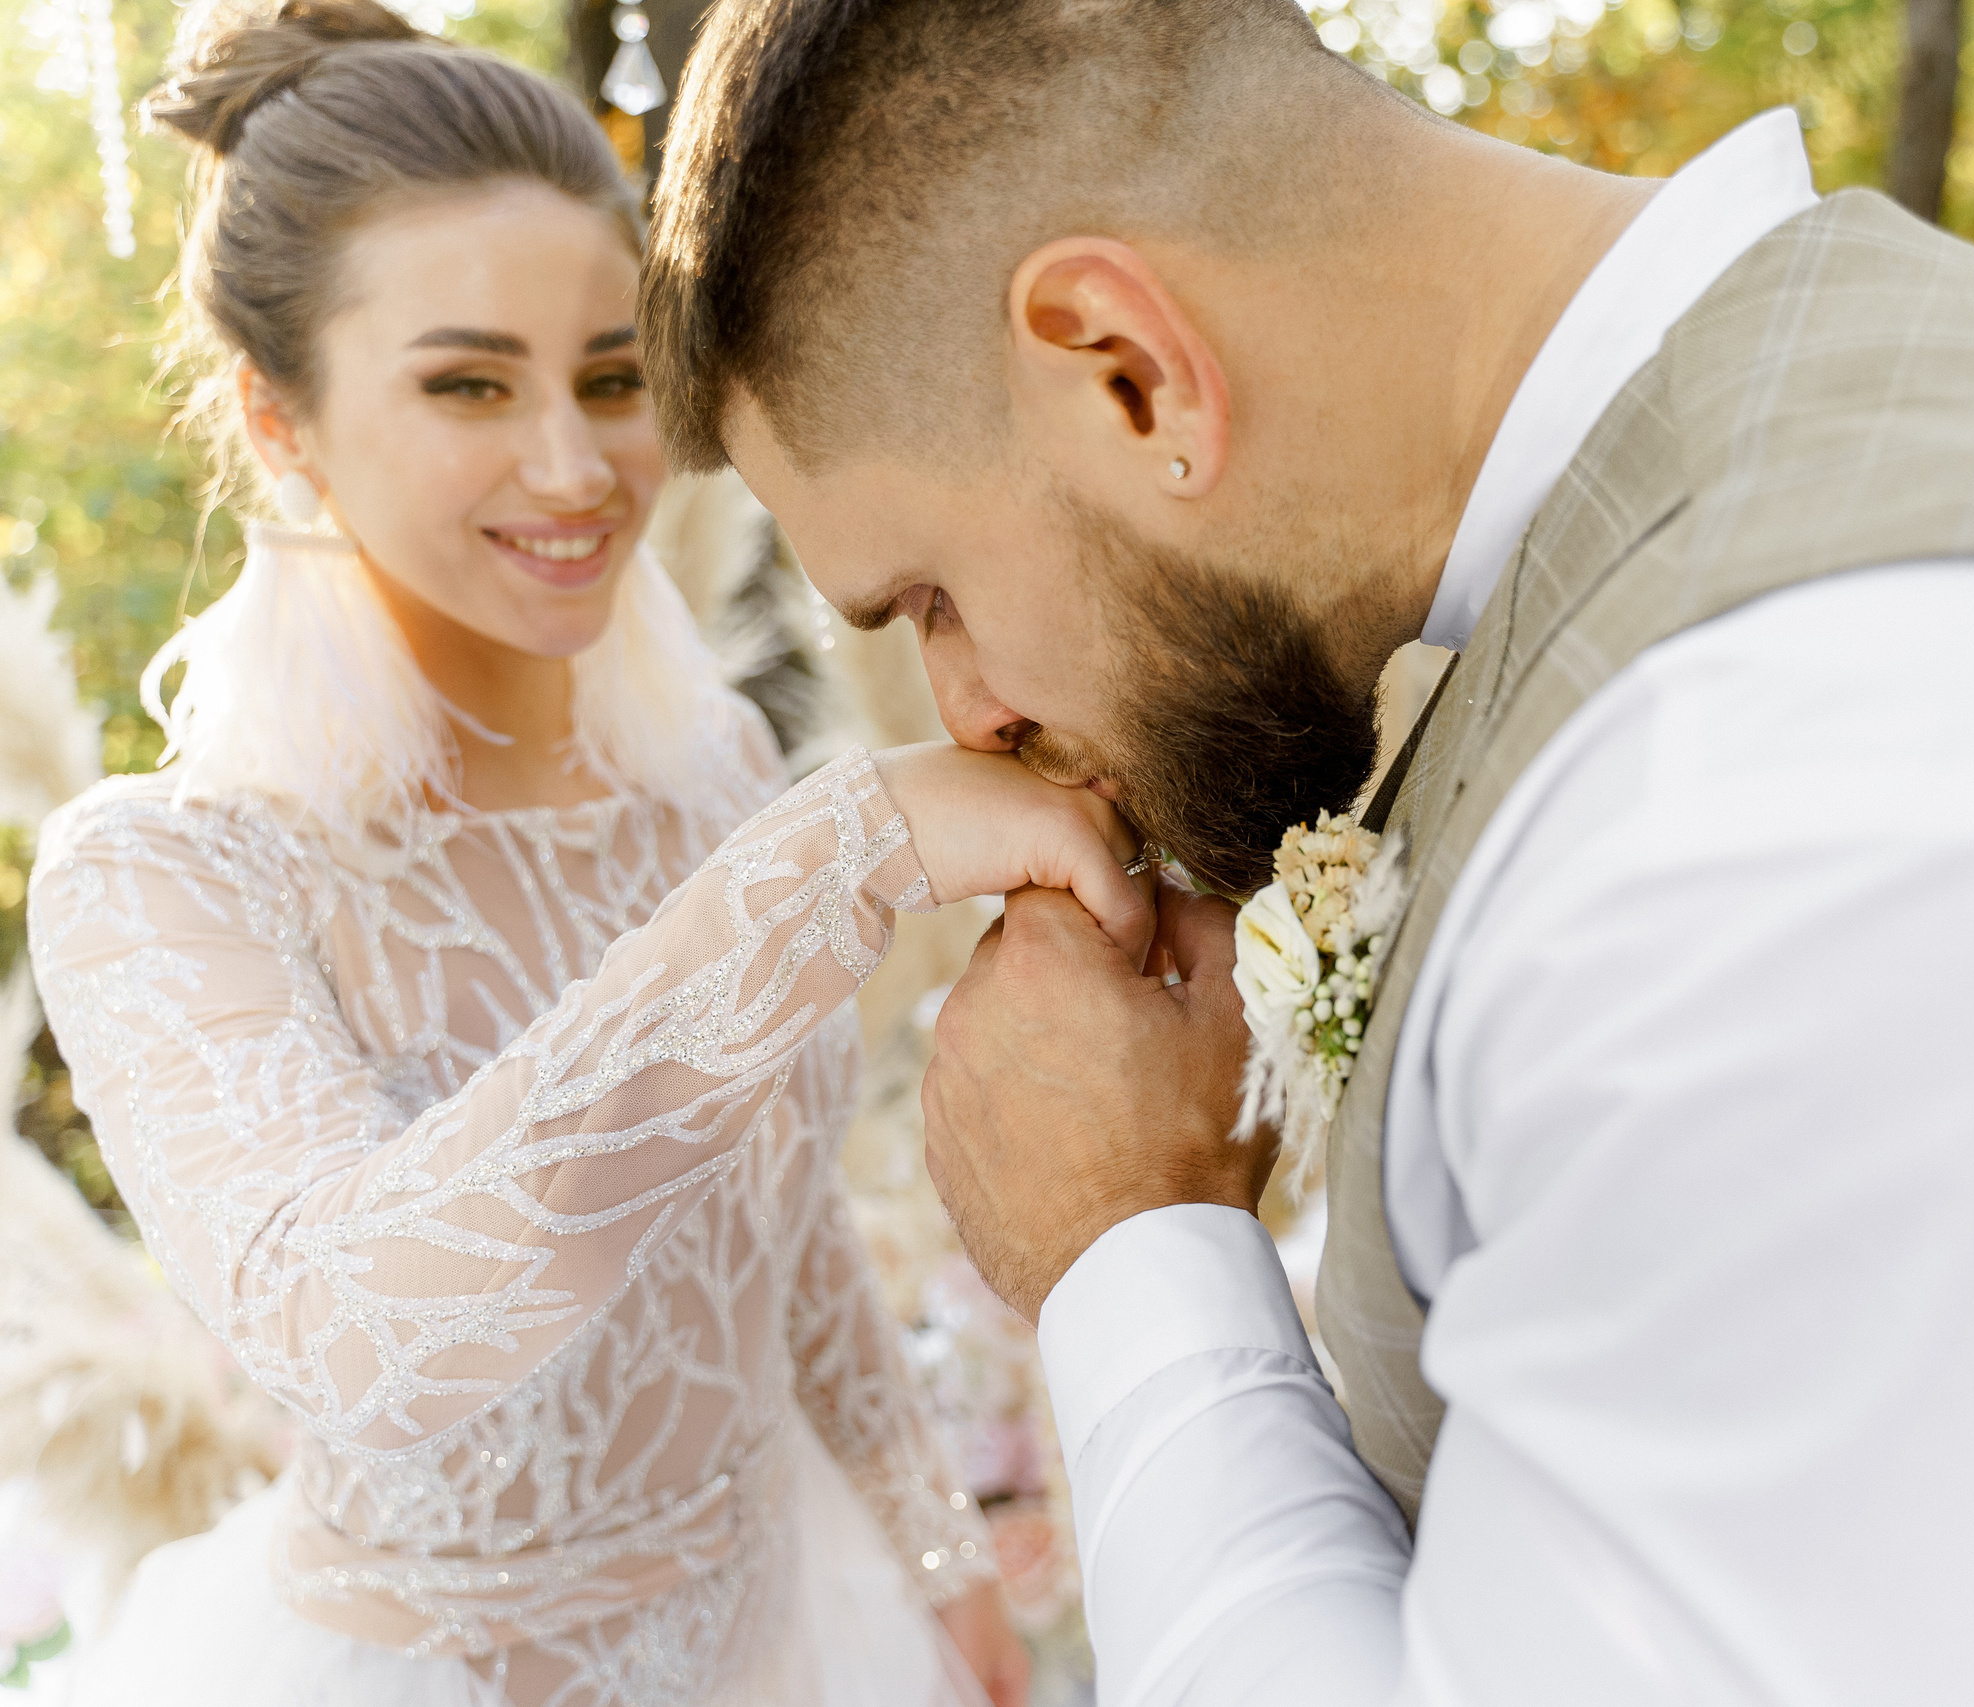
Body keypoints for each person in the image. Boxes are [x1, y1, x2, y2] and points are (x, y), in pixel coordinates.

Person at [636, 0, 1974, 1702]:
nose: (966, 715)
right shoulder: (1813, 509)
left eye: (930, 597)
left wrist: (1126, 1247)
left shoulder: (1782, 832)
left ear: (1127, 369)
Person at [21, 3, 1154, 1700]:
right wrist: (839, 857)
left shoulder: (711, 772)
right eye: (469, 382)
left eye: (614, 379)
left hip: (805, 1633)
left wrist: (940, 1574)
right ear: (277, 419)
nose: (575, 466)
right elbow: (369, 1333)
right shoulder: (168, 881)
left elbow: (786, 1245)